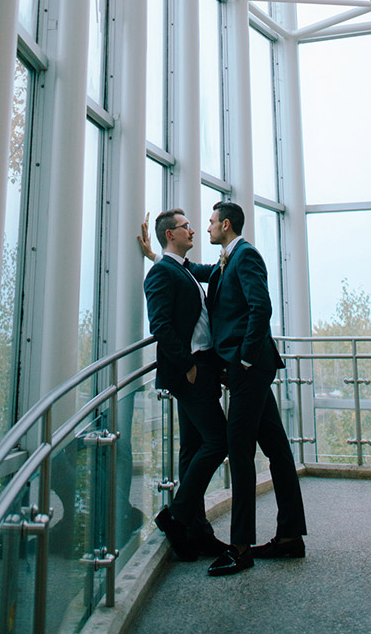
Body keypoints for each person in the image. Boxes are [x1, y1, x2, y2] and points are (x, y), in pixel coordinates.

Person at [204, 200, 306, 575]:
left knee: (240, 451)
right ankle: (290, 537)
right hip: (255, 368)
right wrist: (158, 256)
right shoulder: (227, 260)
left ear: (226, 225)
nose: (208, 227)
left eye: (212, 222)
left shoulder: (246, 256)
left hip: (250, 368)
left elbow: (261, 308)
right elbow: (205, 273)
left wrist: (244, 360)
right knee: (277, 449)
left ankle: (240, 547)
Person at [141, 209, 228, 562]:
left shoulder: (181, 268)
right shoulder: (161, 274)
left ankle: (196, 531)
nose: (193, 230)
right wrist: (189, 366)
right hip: (190, 372)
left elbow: (212, 271)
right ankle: (174, 516)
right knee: (218, 440)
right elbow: (160, 325)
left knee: (193, 449)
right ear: (170, 235)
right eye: (186, 227)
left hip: (202, 367)